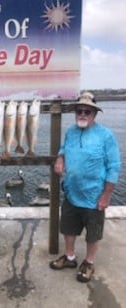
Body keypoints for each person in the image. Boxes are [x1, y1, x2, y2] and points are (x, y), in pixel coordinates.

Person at [49, 92, 120, 283]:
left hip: (94, 195)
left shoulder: (106, 136)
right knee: (68, 228)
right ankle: (70, 258)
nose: (82, 114)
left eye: (87, 111)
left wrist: (106, 195)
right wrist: (60, 157)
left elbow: (114, 167)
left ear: (94, 114)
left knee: (93, 232)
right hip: (72, 192)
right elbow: (64, 147)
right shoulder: (71, 131)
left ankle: (88, 262)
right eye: (79, 110)